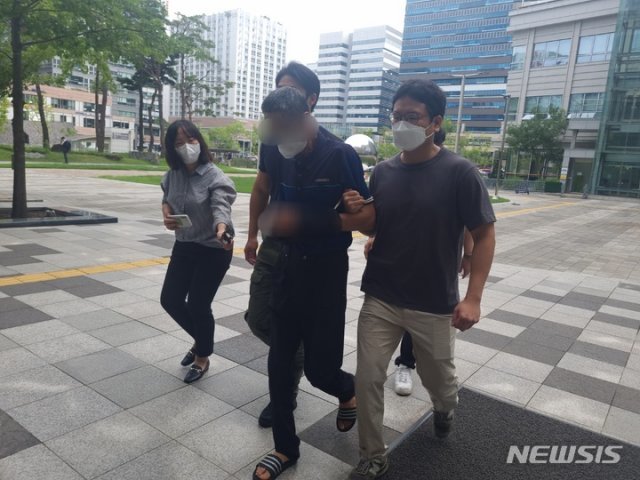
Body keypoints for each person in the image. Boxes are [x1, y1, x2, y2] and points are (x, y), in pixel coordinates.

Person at [348, 79, 496, 479]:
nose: (401, 124)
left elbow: (484, 233)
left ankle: (445, 408)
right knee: (368, 376)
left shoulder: (460, 172)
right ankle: (372, 455)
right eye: (396, 116)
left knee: (440, 382)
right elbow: (378, 221)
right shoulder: (383, 172)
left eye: (411, 117)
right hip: (382, 294)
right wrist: (367, 226)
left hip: (434, 302)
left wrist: (473, 298)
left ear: (435, 122)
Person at [252, 86, 375, 480]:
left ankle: (346, 390)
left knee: (321, 370)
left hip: (326, 273)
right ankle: (285, 449)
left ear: (306, 118)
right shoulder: (275, 150)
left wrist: (317, 218)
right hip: (285, 267)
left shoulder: (340, 155)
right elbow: (266, 195)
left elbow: (369, 220)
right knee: (279, 364)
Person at [244, 61, 341, 429]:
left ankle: (284, 392)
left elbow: (359, 213)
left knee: (288, 325)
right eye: (278, 88)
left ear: (311, 100)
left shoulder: (332, 149)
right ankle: (295, 353)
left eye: (292, 90)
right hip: (274, 245)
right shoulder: (271, 139)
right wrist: (252, 234)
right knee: (258, 318)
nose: (282, 96)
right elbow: (261, 188)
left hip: (311, 255)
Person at [159, 120, 237, 384]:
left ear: (200, 142)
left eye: (191, 140)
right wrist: (166, 213)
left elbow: (220, 206)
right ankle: (202, 340)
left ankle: (202, 357)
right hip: (185, 244)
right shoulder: (172, 175)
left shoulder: (215, 176)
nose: (187, 146)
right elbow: (166, 198)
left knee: (198, 305)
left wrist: (221, 228)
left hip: (214, 247)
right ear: (172, 148)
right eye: (179, 143)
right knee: (170, 300)